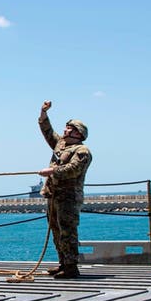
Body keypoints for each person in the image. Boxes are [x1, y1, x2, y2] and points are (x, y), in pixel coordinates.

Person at [38, 101, 92, 279]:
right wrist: (43, 113)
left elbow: (73, 170)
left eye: (69, 128)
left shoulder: (82, 151)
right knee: (56, 230)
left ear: (78, 133)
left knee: (68, 231)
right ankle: (63, 263)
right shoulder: (61, 145)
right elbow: (47, 132)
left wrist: (52, 171)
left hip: (68, 197)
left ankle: (71, 267)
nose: (65, 130)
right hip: (54, 195)